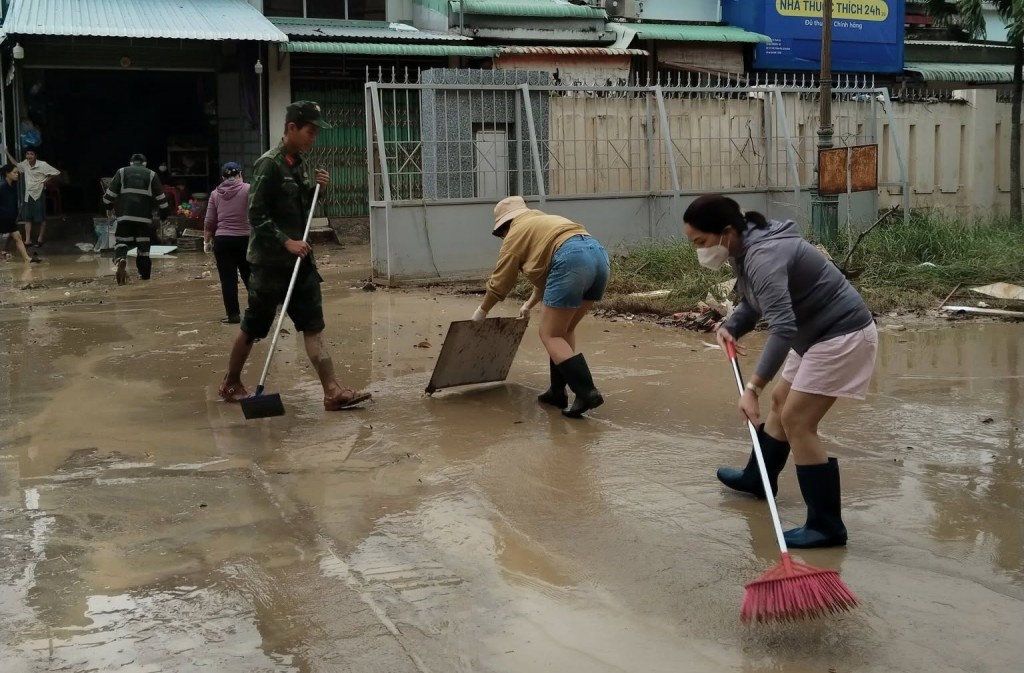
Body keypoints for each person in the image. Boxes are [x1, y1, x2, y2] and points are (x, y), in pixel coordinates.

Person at [683, 194, 878, 549]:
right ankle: (758, 479)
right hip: (815, 335)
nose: (700, 250)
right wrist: (734, 325)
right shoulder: (748, 245)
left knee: (798, 421)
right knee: (781, 402)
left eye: (701, 242)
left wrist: (752, 387)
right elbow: (757, 300)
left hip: (840, 336)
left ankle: (826, 526)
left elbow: (783, 327)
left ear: (726, 232)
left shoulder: (764, 255)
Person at [218, 101, 371, 411]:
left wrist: (318, 189)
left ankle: (332, 391)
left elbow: (301, 203)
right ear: (291, 128)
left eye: (315, 133)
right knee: (254, 326)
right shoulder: (269, 164)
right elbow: (256, 214)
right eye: (309, 132)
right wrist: (285, 241)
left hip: (301, 261)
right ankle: (231, 382)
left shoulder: (297, 163)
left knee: (313, 324)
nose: (313, 138)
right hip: (270, 264)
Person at [473, 196, 610, 418]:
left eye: (501, 233)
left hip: (572, 260)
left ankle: (586, 392)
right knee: (563, 332)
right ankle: (557, 392)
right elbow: (547, 277)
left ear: (505, 225)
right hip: (598, 257)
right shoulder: (542, 222)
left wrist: (482, 311)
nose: (502, 237)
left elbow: (500, 283)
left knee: (549, 334)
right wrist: (528, 304)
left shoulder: (515, 234)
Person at [102, 154, 170, 285]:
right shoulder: (151, 175)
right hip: (144, 220)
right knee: (143, 248)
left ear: (131, 162)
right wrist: (163, 215)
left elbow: (108, 197)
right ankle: (144, 276)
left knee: (122, 241)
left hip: (124, 217)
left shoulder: (121, 172)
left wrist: (108, 206)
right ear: (144, 163)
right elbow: (162, 200)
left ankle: (121, 259)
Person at [204, 161, 252, 324]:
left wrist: (207, 242)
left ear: (223, 177)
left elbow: (210, 221)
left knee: (228, 279)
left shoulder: (215, 194)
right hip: (246, 239)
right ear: (239, 174)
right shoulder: (248, 189)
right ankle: (257, 311)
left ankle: (233, 315)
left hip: (223, 240)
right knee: (250, 277)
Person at [4, 147, 59, 247]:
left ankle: (40, 239)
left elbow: (55, 172)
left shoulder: (42, 165)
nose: (29, 156)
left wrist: (44, 181)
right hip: (28, 195)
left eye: (31, 154)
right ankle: (28, 240)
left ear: (36, 156)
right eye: (27, 154)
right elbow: (16, 164)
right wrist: (7, 153)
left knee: (41, 218)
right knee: (27, 218)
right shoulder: (25, 164)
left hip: (38, 194)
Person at [0, 165, 39, 263]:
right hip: (2, 218)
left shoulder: (12, 187)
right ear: (7, 174)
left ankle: (26, 258)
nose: (17, 174)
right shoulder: (2, 187)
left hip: (9, 218)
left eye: (17, 172)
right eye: (14, 172)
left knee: (17, 236)